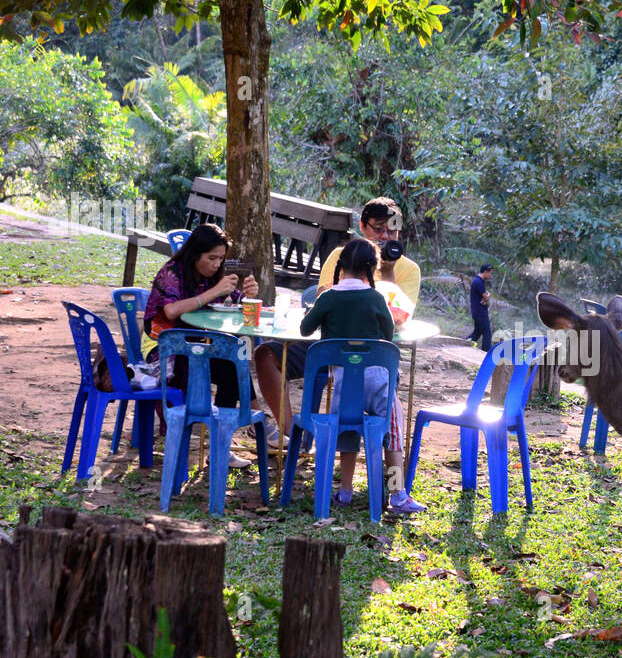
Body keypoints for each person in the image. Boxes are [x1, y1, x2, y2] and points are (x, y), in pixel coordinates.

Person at [254, 196, 426, 514]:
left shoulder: (408, 270)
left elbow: (402, 318)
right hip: (350, 359)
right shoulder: (340, 255)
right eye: (378, 231)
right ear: (361, 228)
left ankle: (359, 490)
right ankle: (395, 492)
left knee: (366, 427)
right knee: (392, 427)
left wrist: (384, 273)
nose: (386, 238)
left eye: (393, 232)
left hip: (357, 365)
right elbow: (330, 301)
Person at [143, 223, 260, 469]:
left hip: (194, 345)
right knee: (227, 361)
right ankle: (257, 419)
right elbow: (172, 311)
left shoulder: (211, 277)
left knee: (232, 363)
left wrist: (249, 295)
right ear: (196, 254)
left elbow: (235, 301)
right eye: (212, 258)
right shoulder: (172, 273)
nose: (217, 264)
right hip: (163, 350)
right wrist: (214, 291)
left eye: (221, 258)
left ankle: (222, 446)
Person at [299, 239, 396, 507]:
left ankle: (345, 490)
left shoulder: (328, 297)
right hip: (377, 379)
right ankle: (394, 491)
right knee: (387, 433)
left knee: (346, 433)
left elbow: (305, 330)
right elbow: (388, 337)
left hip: (344, 381)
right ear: (373, 268)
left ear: (341, 266)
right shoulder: (376, 298)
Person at [467, 264, 493, 352]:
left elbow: (483, 297)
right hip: (480, 312)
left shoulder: (478, 281)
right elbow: (486, 297)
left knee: (476, 333)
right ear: (485, 272)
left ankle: (463, 344)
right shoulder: (478, 282)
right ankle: (485, 353)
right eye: (490, 273)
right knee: (487, 334)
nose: (490, 276)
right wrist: (488, 296)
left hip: (477, 312)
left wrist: (486, 296)